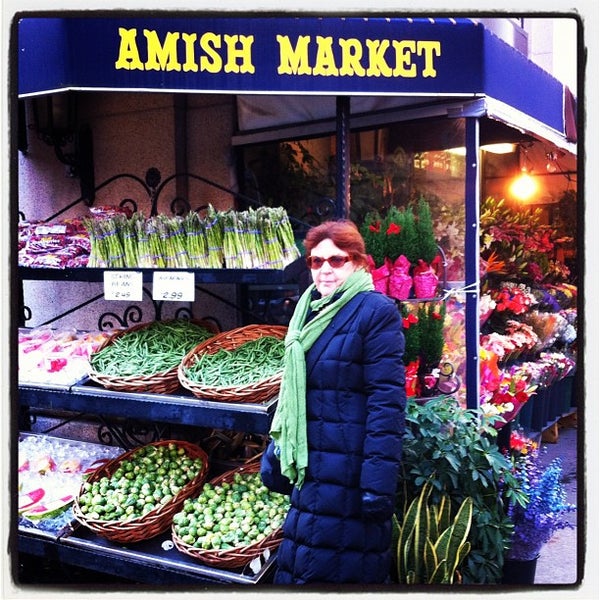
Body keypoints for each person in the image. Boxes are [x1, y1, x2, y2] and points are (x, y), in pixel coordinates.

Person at [261, 219, 406, 585]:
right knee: (302, 565)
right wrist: (277, 451)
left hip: (350, 475)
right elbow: (294, 395)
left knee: (338, 569)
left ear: (357, 262)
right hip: (312, 470)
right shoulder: (306, 312)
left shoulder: (375, 312)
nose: (325, 269)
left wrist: (376, 484)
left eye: (336, 260)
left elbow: (385, 404)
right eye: (315, 261)